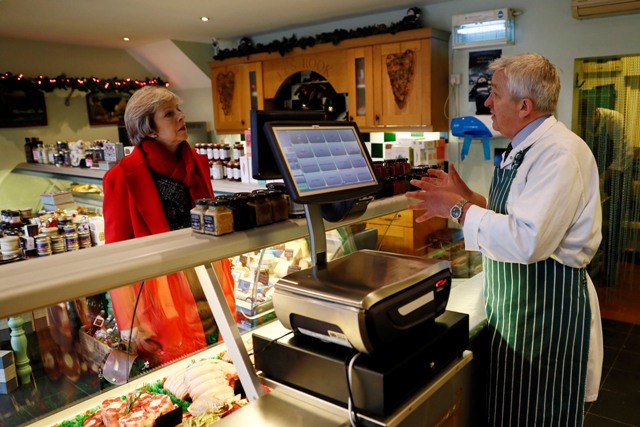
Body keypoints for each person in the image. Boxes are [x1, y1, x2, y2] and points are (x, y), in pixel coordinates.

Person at [406, 53, 603, 426]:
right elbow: (521, 212)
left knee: (538, 412)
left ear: (524, 106)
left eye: (494, 94)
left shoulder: (558, 154)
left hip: (545, 309)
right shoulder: (525, 146)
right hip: (518, 308)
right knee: (513, 408)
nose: (487, 102)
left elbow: (528, 240)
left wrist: (459, 210)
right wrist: (471, 199)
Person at [103, 85, 236, 366]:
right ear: (149, 128)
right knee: (178, 359)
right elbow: (116, 252)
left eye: (179, 110)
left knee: (219, 350)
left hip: (205, 273)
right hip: (159, 286)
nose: (180, 117)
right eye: (169, 113)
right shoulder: (122, 177)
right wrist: (129, 320)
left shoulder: (196, 164)